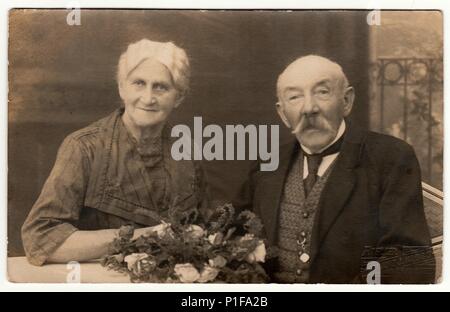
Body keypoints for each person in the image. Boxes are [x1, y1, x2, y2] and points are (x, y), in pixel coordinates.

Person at [233, 55, 435, 283]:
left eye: (322, 92)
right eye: (294, 97)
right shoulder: (267, 164)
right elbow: (234, 236)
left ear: (346, 101)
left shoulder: (390, 158)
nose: (309, 108)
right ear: (282, 114)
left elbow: (409, 259)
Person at [22, 39, 209, 266]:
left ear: (178, 97)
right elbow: (39, 239)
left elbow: (203, 232)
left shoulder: (187, 153)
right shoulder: (84, 147)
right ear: (121, 87)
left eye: (161, 87)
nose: (148, 98)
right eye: (139, 83)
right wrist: (148, 235)